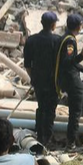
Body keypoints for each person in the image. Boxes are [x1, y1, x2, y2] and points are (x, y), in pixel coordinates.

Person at [23, 12, 60, 147]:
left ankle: (39, 134)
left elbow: (27, 64)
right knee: (50, 110)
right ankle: (47, 139)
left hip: (38, 80)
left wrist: (33, 78)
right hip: (52, 82)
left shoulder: (31, 40)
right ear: (53, 25)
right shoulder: (57, 41)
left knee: (41, 107)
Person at [55, 14, 83, 149]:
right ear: (78, 26)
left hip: (68, 76)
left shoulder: (65, 37)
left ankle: (82, 114)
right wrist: (82, 56)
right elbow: (68, 62)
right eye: (81, 24)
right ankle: (71, 143)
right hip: (70, 79)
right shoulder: (70, 41)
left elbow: (71, 62)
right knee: (74, 113)